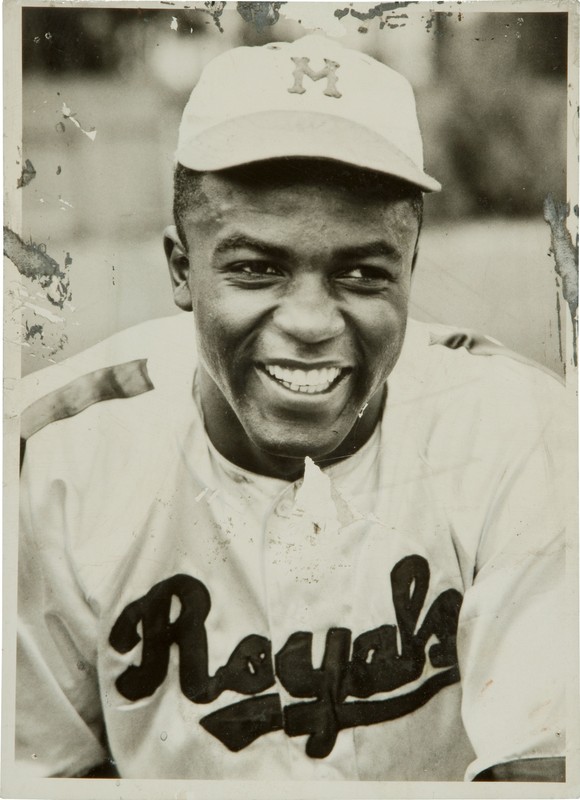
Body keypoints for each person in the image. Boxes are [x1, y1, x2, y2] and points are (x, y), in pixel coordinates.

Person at [17, 34, 566, 782]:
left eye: (363, 274)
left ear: (409, 268)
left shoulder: (517, 430)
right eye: (256, 268)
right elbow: (35, 771)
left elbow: (545, 768)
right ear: (183, 269)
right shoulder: (55, 456)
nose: (310, 322)